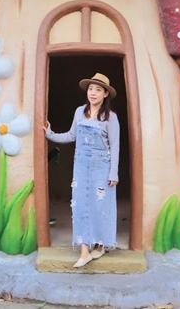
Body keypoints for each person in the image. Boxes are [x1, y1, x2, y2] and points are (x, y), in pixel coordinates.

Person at [43, 72, 120, 268]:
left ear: (105, 95)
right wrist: (50, 134)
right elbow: (71, 136)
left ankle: (100, 246)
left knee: (100, 207)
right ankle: (84, 251)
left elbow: (115, 145)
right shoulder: (79, 112)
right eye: (91, 89)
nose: (93, 93)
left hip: (102, 166)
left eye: (98, 90)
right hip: (82, 166)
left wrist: (113, 173)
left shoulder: (111, 117)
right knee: (81, 206)